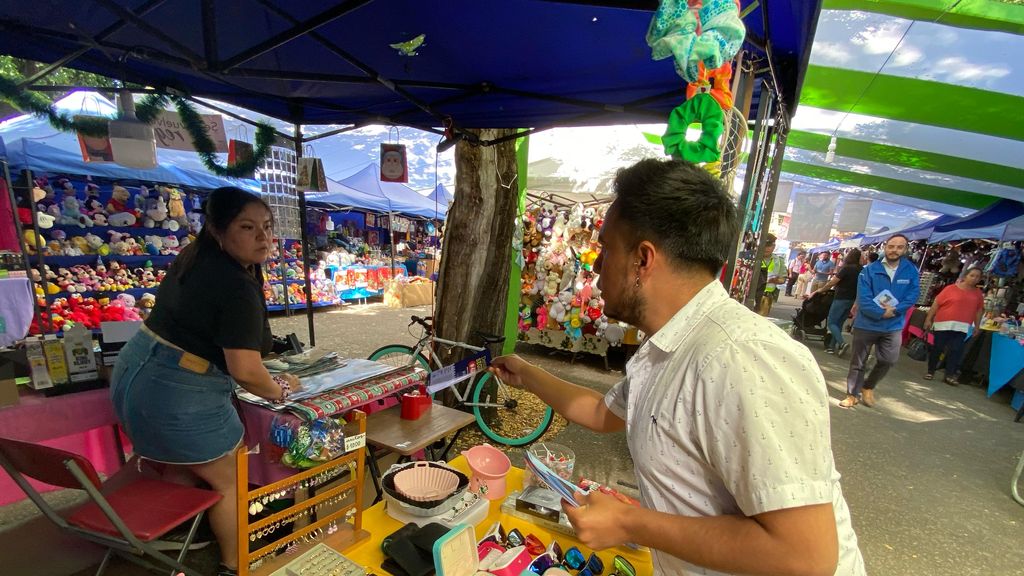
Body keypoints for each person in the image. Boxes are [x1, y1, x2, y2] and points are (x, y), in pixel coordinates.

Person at [490, 159, 864, 576]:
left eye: (606, 249)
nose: (595, 267)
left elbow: (805, 558)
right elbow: (602, 413)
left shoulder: (743, 356)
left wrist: (629, 522)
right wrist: (525, 372)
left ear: (643, 259)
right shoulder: (671, 344)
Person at [110, 187, 301, 576]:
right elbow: (246, 370)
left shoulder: (195, 256)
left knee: (188, 463)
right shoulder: (234, 284)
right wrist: (280, 389)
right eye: (247, 227)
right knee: (230, 481)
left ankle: (188, 534)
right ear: (217, 229)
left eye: (267, 227)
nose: (263, 238)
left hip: (135, 377)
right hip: (177, 395)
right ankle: (235, 565)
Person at [840, 233, 920, 409]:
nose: (894, 250)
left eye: (899, 247)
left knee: (889, 360)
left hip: (893, 325)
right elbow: (864, 297)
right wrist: (880, 313)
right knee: (858, 362)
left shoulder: (911, 271)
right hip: (867, 323)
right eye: (891, 246)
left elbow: (913, 295)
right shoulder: (869, 270)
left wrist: (895, 311)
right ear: (885, 247)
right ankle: (852, 394)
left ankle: (868, 386)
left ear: (905, 249)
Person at [923, 267, 985, 385]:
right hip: (943, 324)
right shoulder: (950, 288)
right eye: (972, 275)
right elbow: (936, 304)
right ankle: (931, 371)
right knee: (938, 348)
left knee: (956, 350)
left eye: (977, 276)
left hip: (961, 326)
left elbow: (978, 311)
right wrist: (928, 319)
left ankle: (949, 375)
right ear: (966, 276)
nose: (974, 278)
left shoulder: (978, 294)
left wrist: (977, 326)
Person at [811, 249, 862, 357]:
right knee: (839, 323)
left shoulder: (846, 269)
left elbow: (833, 282)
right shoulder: (861, 269)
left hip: (841, 298)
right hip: (852, 299)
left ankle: (842, 343)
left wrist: (820, 290)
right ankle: (831, 347)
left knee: (831, 322)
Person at [755, 233, 786, 316]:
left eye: (769, 245)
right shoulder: (752, 257)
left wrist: (776, 280)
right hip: (751, 295)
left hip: (766, 298)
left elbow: (783, 279)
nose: (766, 248)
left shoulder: (779, 261)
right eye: (764, 245)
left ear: (774, 246)